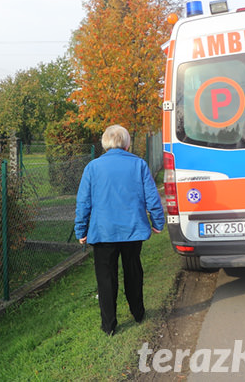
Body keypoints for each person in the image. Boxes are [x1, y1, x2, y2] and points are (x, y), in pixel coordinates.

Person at [74, 125, 165, 336]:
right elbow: (152, 197)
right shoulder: (139, 165)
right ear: (126, 142)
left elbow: (83, 202)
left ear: (105, 142)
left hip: (103, 231)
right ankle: (138, 312)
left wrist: (81, 230)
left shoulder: (93, 167)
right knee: (133, 271)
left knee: (106, 277)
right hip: (132, 230)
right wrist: (158, 222)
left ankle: (109, 325)